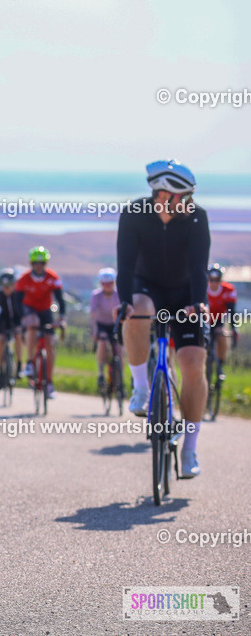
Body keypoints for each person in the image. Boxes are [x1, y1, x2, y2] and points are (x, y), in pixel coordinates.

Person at [117, 159, 210, 478]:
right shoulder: (133, 214)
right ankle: (141, 388)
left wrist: (199, 302)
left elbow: (199, 266)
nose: (190, 202)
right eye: (185, 196)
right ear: (164, 195)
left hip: (185, 293)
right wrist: (125, 302)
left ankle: (189, 449)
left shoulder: (197, 217)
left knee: (192, 361)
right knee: (137, 310)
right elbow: (125, 266)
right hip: (147, 285)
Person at [16, 246, 66, 399]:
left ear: (46, 264)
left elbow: (60, 300)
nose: (39, 266)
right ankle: (30, 362)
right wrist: (23, 318)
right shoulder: (23, 279)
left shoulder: (52, 277)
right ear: (31, 264)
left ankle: (49, 383)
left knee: (50, 344)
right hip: (29, 308)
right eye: (36, 263)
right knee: (32, 325)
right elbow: (17, 302)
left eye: (42, 263)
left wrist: (61, 317)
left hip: (45, 311)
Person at [0, 269, 23, 389]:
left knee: (18, 335)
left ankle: (19, 366)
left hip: (16, 321)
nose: (6, 289)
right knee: (0, 340)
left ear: (14, 285)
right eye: (4, 286)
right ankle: (1, 371)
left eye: (9, 286)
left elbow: (23, 313)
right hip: (2, 323)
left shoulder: (19, 296)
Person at [90, 267, 121, 391]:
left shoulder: (118, 294)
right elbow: (92, 315)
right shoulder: (96, 295)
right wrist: (95, 330)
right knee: (102, 342)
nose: (107, 286)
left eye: (110, 283)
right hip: (102, 324)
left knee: (119, 350)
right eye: (104, 284)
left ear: (114, 283)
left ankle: (119, 379)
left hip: (115, 324)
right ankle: (101, 373)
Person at [206, 263, 238, 378]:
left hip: (219, 320)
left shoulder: (228, 290)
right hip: (205, 320)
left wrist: (234, 328)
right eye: (211, 279)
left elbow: (231, 312)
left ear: (221, 279)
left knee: (223, 336)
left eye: (217, 280)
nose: (214, 283)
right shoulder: (203, 289)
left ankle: (221, 364)